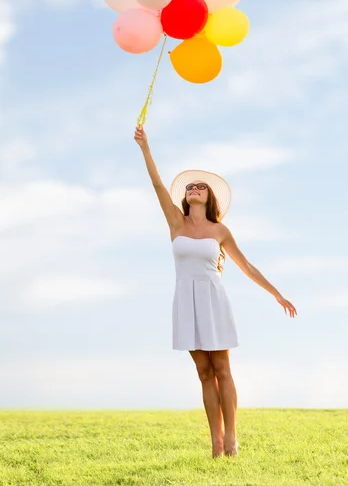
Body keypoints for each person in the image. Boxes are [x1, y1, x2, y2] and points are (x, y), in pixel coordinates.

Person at [134, 125, 297, 458]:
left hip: (212, 300)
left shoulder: (220, 229)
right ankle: (216, 442)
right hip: (186, 301)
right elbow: (156, 183)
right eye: (190, 186)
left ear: (209, 198)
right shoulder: (176, 223)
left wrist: (276, 294)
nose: (194, 188)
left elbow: (247, 267)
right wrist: (145, 147)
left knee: (222, 369)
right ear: (185, 196)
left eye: (201, 187)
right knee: (204, 373)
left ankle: (233, 438)